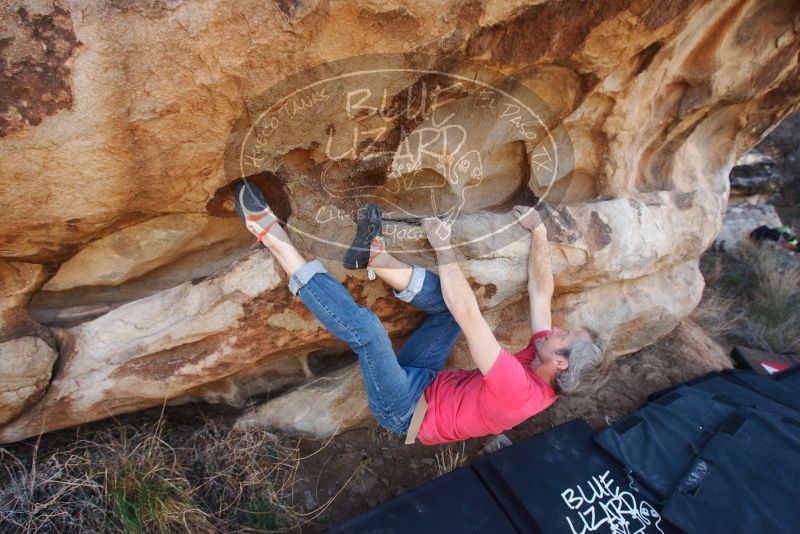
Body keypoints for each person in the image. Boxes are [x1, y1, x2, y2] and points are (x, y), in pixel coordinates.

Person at [234, 182, 607, 445]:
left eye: (564, 336)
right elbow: (542, 293)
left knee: (369, 329)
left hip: (404, 409)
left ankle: (271, 235)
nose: (556, 329)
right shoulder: (547, 362)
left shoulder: (520, 390)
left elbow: (469, 313)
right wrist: (539, 234)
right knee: (445, 309)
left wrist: (443, 246)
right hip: (427, 381)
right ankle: (376, 258)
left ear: (560, 363)